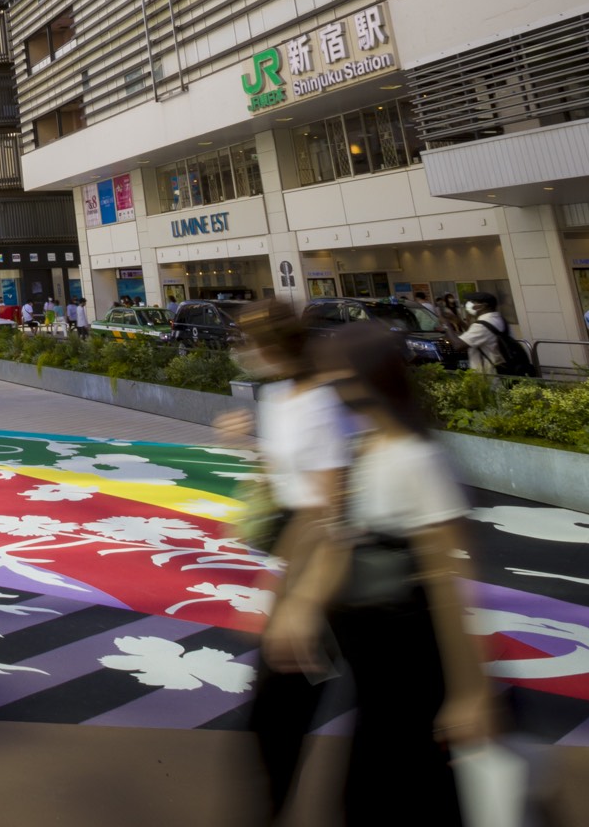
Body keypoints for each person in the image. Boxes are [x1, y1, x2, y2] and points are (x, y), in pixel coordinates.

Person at [264, 324, 497, 826]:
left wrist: (470, 691)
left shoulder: (418, 459)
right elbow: (337, 537)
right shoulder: (365, 447)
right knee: (374, 788)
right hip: (370, 659)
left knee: (400, 791)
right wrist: (300, 607)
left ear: (368, 377)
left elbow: (449, 583)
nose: (328, 384)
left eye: (339, 373)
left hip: (410, 655)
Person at [222, 304, 353, 823]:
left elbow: (328, 509)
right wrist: (250, 444)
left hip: (331, 565)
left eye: (247, 341)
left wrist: (298, 601)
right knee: (277, 711)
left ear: (274, 347)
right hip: (297, 557)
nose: (242, 351)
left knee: (280, 708)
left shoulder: (324, 404)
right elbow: (284, 479)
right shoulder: (276, 397)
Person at [459, 293, 510, 376]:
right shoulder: (498, 319)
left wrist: (446, 325)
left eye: (473, 302)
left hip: (488, 376)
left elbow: (458, 345)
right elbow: (475, 337)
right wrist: (459, 322)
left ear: (483, 306)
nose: (469, 304)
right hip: (501, 370)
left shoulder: (481, 325)